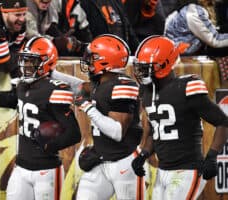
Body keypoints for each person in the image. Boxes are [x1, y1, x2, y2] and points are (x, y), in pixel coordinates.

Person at [0, 36, 82, 200]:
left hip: (46, 170)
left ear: (46, 62)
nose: (25, 65)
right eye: (24, 60)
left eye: (31, 61)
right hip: (22, 167)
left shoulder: (55, 90)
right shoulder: (23, 85)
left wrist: (49, 146)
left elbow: (74, 133)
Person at [131, 35, 228, 200]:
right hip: (163, 171)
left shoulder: (187, 87)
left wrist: (212, 156)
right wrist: (144, 154)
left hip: (187, 169)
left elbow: (222, 121)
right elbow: (158, 129)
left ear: (165, 64)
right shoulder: (147, 91)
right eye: (140, 67)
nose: (141, 72)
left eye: (146, 67)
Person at [71, 34, 144, 200]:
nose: (88, 61)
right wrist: (50, 74)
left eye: (92, 57)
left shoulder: (123, 85)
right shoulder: (102, 83)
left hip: (124, 162)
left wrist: (89, 108)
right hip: (102, 161)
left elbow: (117, 132)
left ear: (106, 60)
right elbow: (78, 86)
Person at [25, 0, 92, 56]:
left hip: (36, 52)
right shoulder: (26, 5)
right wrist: (54, 41)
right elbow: (31, 36)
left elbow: (43, 33)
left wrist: (64, 41)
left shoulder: (49, 7)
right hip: (22, 51)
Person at [164, 0, 228, 56]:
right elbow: (215, 40)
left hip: (181, 52)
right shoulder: (194, 11)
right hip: (179, 56)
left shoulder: (192, 7)